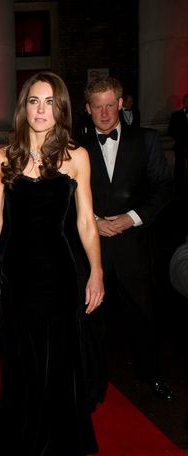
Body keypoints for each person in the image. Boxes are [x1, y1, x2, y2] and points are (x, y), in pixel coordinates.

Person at [0, 71, 104, 456]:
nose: (41, 110)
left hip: (60, 276)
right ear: (23, 106)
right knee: (21, 366)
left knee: (55, 367)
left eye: (50, 102)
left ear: (62, 109)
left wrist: (96, 272)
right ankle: (20, 443)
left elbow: (86, 222)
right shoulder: (3, 159)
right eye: (34, 101)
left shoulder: (76, 157)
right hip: (18, 277)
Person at [80, 76, 174, 402]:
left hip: (133, 244)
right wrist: (93, 221)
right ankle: (92, 384)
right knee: (91, 320)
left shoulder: (146, 140)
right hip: (94, 247)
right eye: (98, 107)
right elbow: (67, 194)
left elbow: (164, 186)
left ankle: (153, 377)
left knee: (144, 315)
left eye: (110, 105)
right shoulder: (75, 148)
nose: (105, 113)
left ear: (120, 104)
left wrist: (131, 218)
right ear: (87, 108)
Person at [168, 94, 188, 195]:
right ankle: (179, 190)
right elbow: (171, 130)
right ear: (183, 102)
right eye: (186, 101)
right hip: (180, 145)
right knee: (179, 168)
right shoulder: (176, 115)